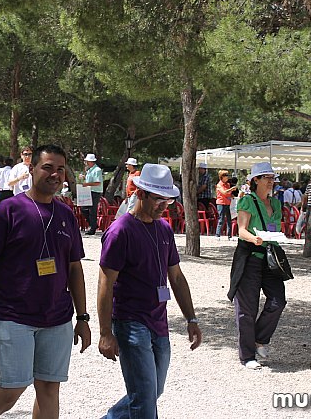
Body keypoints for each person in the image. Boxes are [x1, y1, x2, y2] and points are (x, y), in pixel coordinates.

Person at [0, 144, 91, 419]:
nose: (55, 174)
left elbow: (75, 269)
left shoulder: (66, 216)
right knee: (12, 389)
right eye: (48, 167)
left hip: (57, 317)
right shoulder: (7, 212)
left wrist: (83, 318)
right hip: (13, 315)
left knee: (49, 387)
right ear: (31, 169)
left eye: (60, 169)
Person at [98, 163, 202, 418]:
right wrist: (105, 333)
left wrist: (192, 318)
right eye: (158, 199)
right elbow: (105, 283)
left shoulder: (164, 229)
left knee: (152, 391)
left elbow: (176, 277)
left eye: (167, 200)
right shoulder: (120, 231)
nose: (164, 206)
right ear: (141, 193)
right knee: (144, 399)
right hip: (131, 322)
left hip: (159, 322)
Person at [228, 162, 287, 370]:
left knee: (278, 301)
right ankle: (247, 356)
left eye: (272, 178)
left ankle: (260, 339)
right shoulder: (247, 201)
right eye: (266, 177)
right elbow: (242, 230)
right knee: (247, 308)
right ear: (256, 180)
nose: (271, 181)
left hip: (271, 259)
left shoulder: (277, 203)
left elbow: (276, 228)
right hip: (251, 258)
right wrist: (254, 239)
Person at [81, 153, 103, 235]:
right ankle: (93, 224)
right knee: (84, 208)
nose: (86, 163)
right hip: (89, 191)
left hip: (95, 192)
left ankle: (92, 228)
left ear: (91, 162)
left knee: (92, 210)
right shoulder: (90, 170)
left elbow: (98, 183)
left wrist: (87, 184)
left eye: (87, 161)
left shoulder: (97, 170)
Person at [215, 169, 237, 238]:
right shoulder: (219, 185)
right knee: (221, 219)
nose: (227, 177)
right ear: (222, 176)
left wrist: (232, 194)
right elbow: (224, 192)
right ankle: (217, 235)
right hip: (221, 203)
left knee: (229, 219)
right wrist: (231, 189)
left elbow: (228, 194)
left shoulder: (227, 184)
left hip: (227, 203)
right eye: (226, 175)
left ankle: (229, 235)